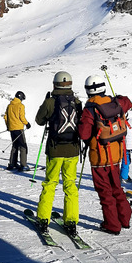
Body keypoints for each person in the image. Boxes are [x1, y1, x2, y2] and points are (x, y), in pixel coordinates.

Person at [78, 74, 132, 235]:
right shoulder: (116, 102)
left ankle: (112, 225)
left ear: (88, 90)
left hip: (99, 157)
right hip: (116, 155)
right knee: (117, 188)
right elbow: (127, 102)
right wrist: (116, 98)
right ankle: (124, 219)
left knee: (105, 192)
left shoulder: (90, 109)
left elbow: (84, 134)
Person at [35, 71, 82, 235]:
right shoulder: (77, 102)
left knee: (50, 183)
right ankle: (71, 221)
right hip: (73, 150)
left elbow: (39, 120)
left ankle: (43, 219)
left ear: (54, 84)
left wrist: (46, 104)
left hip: (55, 150)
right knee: (70, 185)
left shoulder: (50, 101)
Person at [4, 91, 31, 171]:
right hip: (19, 129)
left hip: (12, 129)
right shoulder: (20, 106)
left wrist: (8, 126)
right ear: (20, 98)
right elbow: (21, 117)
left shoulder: (9, 105)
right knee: (23, 146)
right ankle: (24, 165)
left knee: (15, 146)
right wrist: (27, 124)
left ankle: (12, 164)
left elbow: (6, 117)